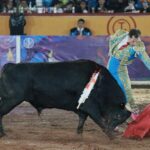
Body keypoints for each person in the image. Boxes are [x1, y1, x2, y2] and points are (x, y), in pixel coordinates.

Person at [107, 28, 150, 118]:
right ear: (129, 37)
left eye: (137, 40)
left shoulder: (139, 46)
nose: (135, 43)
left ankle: (133, 111)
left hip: (122, 67)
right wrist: (110, 40)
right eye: (133, 41)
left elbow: (146, 60)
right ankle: (114, 113)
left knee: (126, 88)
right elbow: (112, 38)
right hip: (112, 64)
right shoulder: (122, 33)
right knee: (113, 89)